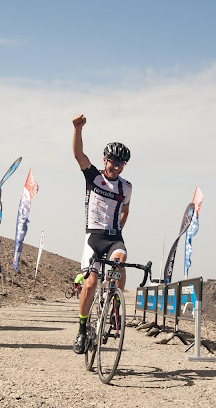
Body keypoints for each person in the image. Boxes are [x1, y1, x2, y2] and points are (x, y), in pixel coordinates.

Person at [71, 113, 132, 354]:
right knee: (90, 284)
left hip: (114, 237)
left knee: (120, 262)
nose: (116, 166)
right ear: (105, 160)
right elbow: (78, 154)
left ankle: (114, 301)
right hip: (93, 237)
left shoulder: (126, 187)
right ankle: (82, 330)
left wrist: (119, 227)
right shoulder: (93, 176)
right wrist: (77, 129)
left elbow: (125, 208)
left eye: (121, 163)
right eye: (113, 161)